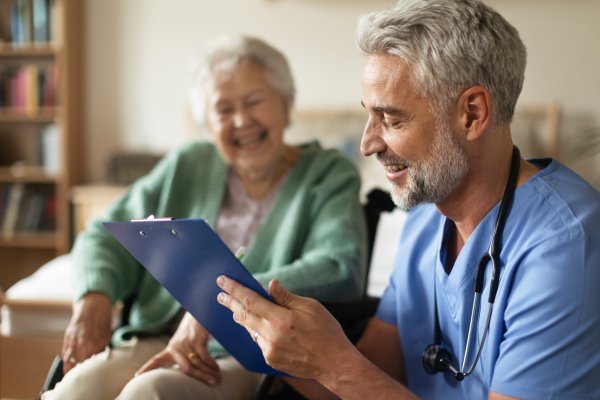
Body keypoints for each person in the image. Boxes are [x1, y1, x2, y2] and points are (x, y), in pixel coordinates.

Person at [217, 1, 600, 399]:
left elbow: (347, 375)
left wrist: (335, 362)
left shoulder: (568, 243)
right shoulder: (424, 221)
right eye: (369, 115)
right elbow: (356, 384)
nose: (368, 144)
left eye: (392, 119)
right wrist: (248, 321)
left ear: (472, 114)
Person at [43, 35, 367, 400]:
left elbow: (339, 267)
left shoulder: (328, 174)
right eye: (224, 110)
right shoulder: (189, 162)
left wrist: (218, 306)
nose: (242, 121)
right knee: (72, 392)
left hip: (247, 351)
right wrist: (94, 299)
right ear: (208, 123)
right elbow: (103, 236)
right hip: (156, 336)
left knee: (148, 394)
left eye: (255, 102)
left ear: (286, 105)